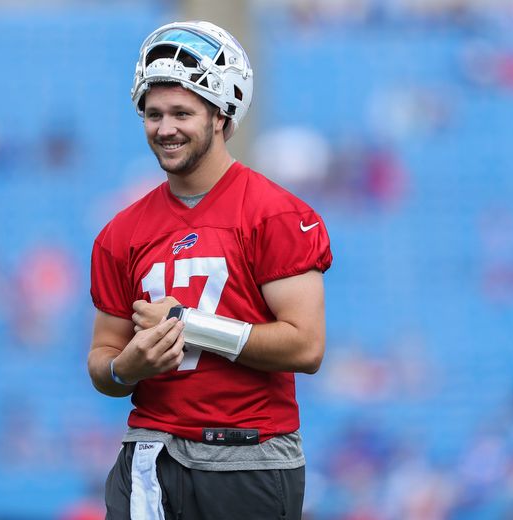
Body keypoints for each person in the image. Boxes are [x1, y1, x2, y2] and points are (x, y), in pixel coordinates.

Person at [88, 20, 332, 520]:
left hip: (249, 456)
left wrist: (189, 325)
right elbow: (102, 361)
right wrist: (127, 368)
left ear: (221, 117)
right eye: (153, 114)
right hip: (152, 453)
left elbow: (306, 347)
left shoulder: (276, 214)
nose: (165, 128)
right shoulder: (121, 232)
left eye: (182, 112)